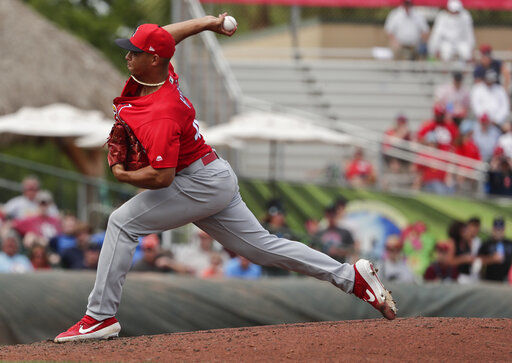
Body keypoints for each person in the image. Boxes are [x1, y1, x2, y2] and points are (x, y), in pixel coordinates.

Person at [54, 15, 396, 343]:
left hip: (194, 182)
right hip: (210, 174)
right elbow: (166, 36)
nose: (127, 55)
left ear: (154, 59)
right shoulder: (161, 71)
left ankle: (99, 317)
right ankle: (350, 276)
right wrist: (208, 23)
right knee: (262, 248)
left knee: (122, 223)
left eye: (135, 52)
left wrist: (122, 173)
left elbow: (161, 178)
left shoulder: (162, 111)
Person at [478, 217, 512, 282]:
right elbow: (478, 259)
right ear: (493, 229)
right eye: (496, 229)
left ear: (504, 229)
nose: (498, 232)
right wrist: (492, 259)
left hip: (505, 280)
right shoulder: (486, 243)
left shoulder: (509, 243)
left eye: (500, 229)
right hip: (489, 279)